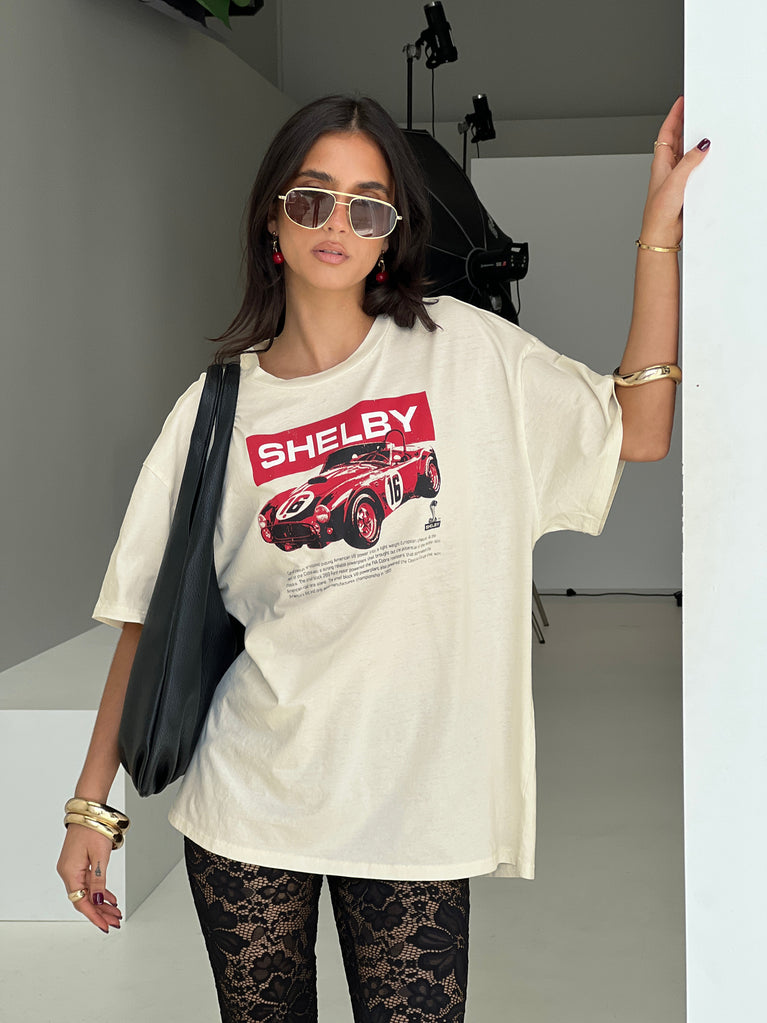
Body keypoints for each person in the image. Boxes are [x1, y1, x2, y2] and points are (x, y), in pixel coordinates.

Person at [57, 93, 708, 1022]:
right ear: (272, 217)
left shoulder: (463, 350)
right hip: (251, 799)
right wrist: (92, 807)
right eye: (313, 197)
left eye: (367, 206)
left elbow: (637, 429)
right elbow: (141, 623)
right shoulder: (213, 410)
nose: (338, 223)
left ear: (391, 233)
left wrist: (658, 237)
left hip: (416, 806)